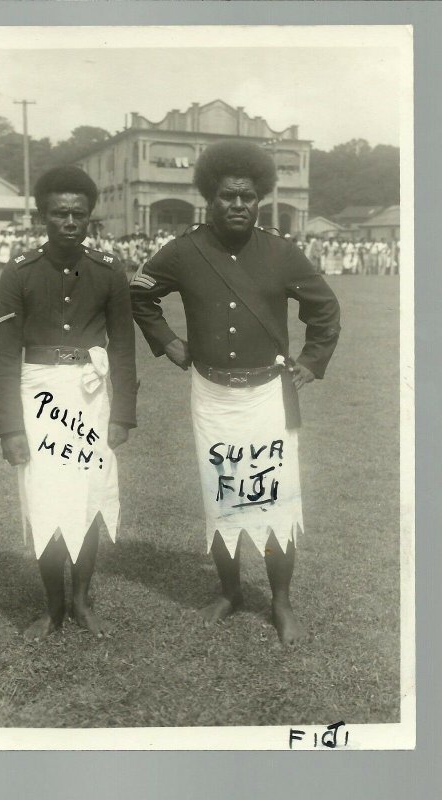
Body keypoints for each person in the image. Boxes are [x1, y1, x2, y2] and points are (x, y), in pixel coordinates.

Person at [130, 140, 340, 645]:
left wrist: (312, 362)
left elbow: (325, 309)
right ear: (209, 196)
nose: (239, 205)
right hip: (212, 396)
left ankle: (281, 602)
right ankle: (229, 593)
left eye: (248, 197)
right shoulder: (184, 249)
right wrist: (169, 343)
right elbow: (140, 292)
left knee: (275, 499)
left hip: (267, 395)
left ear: (261, 198)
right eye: (228, 196)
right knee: (220, 492)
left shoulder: (282, 251)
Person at [0, 165, 137, 641]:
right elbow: (3, 354)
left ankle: (80, 600)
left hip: (91, 396)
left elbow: (123, 347)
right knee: (45, 496)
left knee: (89, 496)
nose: (69, 222)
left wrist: (123, 414)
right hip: (38, 397)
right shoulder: (19, 271)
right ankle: (52, 607)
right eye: (59, 213)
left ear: (90, 217)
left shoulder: (110, 270)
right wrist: (11, 428)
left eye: (78, 213)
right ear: (42, 216)